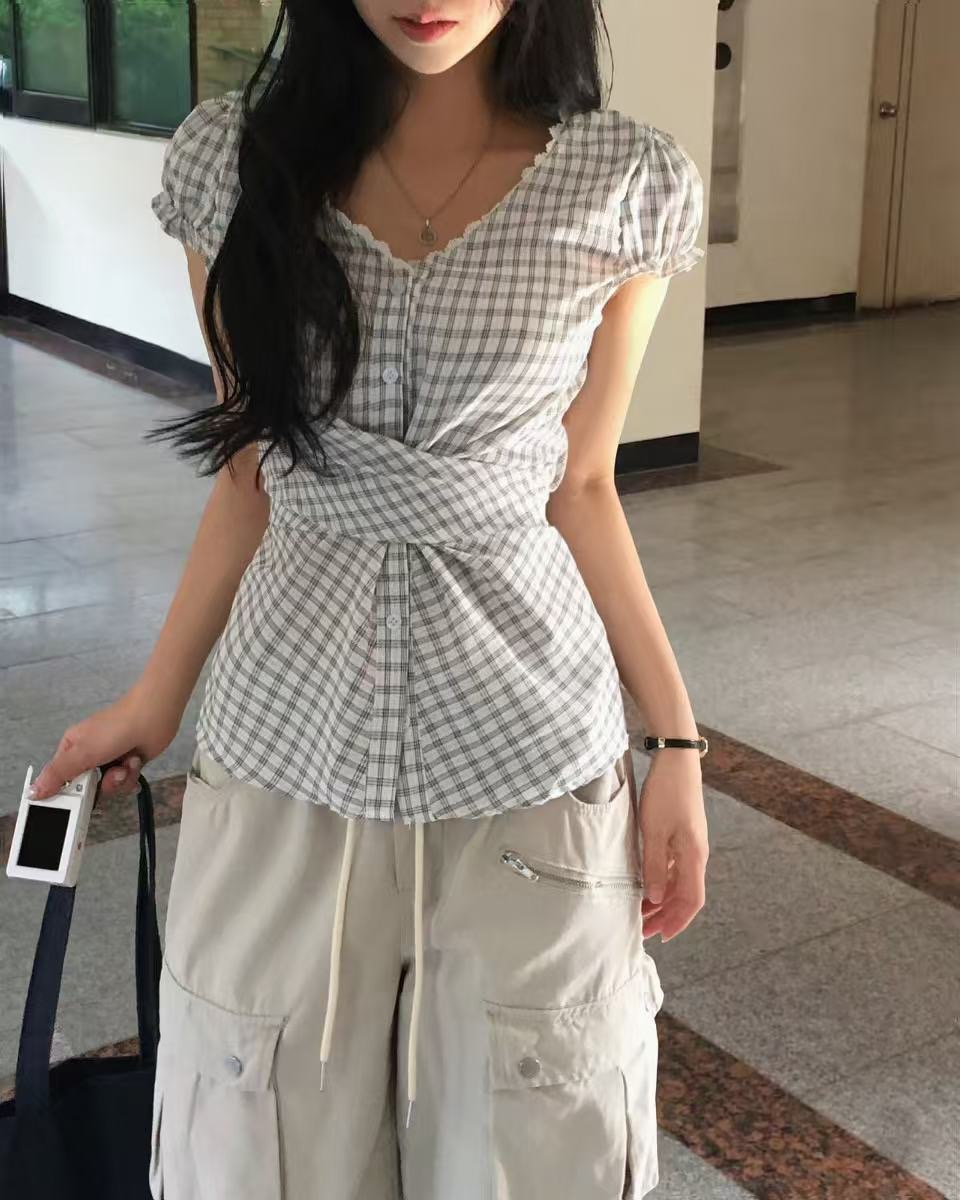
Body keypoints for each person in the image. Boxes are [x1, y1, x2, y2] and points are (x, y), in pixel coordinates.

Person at [28, 0, 711, 1195]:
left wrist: (677, 746)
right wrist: (154, 699)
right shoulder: (232, 165)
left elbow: (585, 484)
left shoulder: (624, 183)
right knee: (256, 1143)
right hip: (287, 739)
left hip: (528, 752)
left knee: (533, 1147)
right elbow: (249, 471)